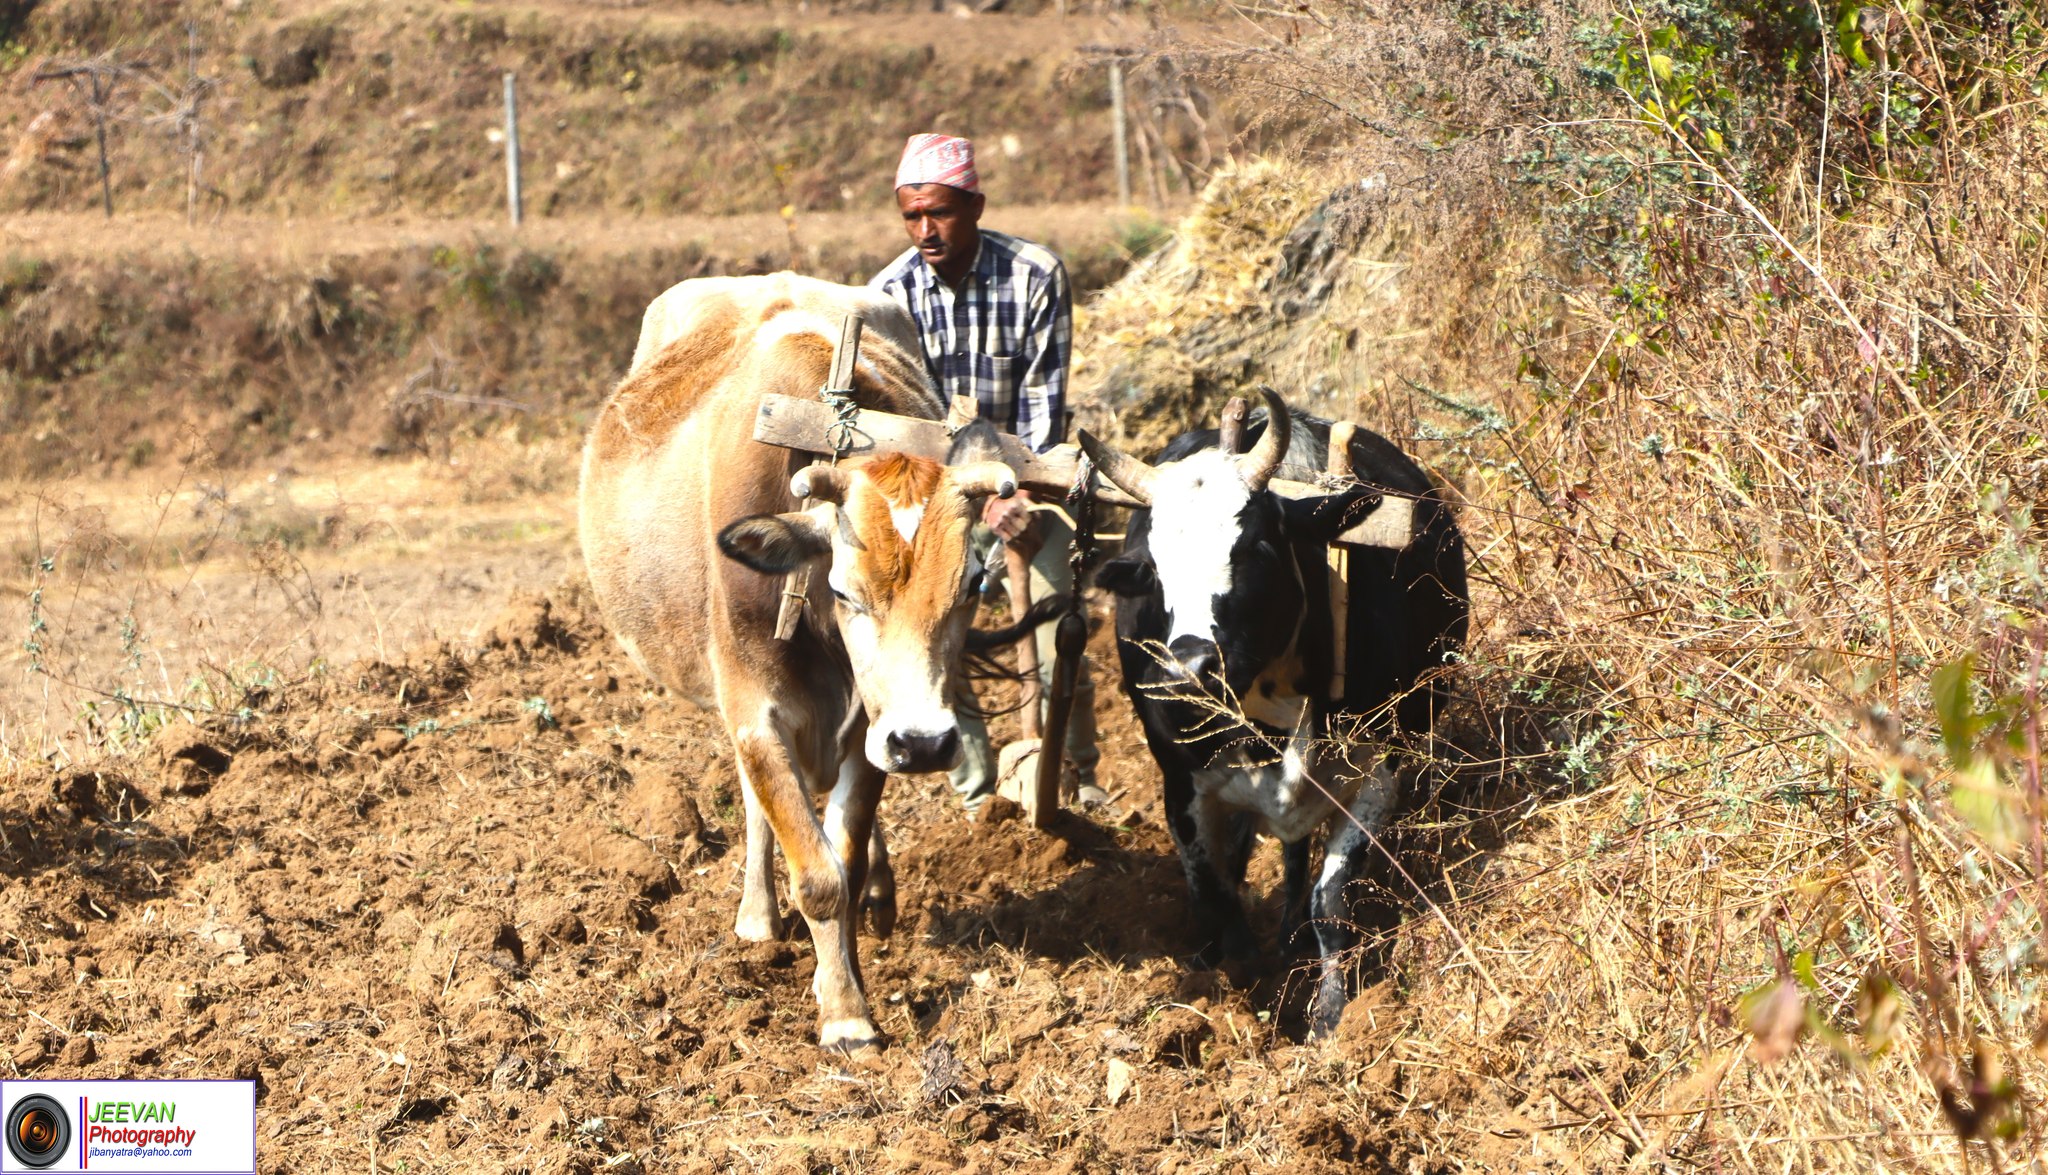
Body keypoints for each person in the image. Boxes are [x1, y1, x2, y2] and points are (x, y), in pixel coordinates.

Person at [868, 133, 1103, 807]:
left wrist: (1013, 494)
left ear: (974, 205)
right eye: (911, 217)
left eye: (939, 213)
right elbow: (905, 427)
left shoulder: (1034, 275)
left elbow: (1042, 404)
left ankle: (1078, 776)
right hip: (938, 495)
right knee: (940, 641)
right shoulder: (887, 296)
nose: (925, 230)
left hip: (1031, 480)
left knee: (1063, 630)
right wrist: (965, 504)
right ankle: (979, 795)